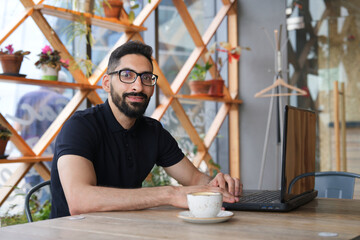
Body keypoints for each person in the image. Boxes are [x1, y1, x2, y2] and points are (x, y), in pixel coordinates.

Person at [50, 41, 242, 218]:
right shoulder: (80, 127)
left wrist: (217, 185)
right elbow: (79, 201)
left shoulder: (153, 131)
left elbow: (193, 177)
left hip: (127, 231)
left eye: (146, 77)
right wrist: (169, 194)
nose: (138, 86)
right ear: (107, 84)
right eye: (127, 75)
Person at [14, 84, 69, 194]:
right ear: (60, 84)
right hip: (52, 155)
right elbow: (68, 132)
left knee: (31, 194)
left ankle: (33, 211)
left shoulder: (26, 97)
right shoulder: (63, 101)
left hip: (29, 152)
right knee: (49, 193)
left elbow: (17, 127)